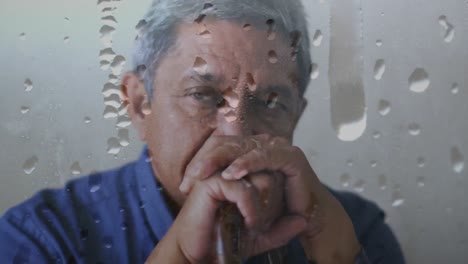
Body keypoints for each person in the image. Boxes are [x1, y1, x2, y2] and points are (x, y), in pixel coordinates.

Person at [0, 0, 405, 263]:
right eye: (203, 95)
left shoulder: (352, 230)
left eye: (270, 103)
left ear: (296, 115)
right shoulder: (44, 240)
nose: (235, 132)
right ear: (141, 104)